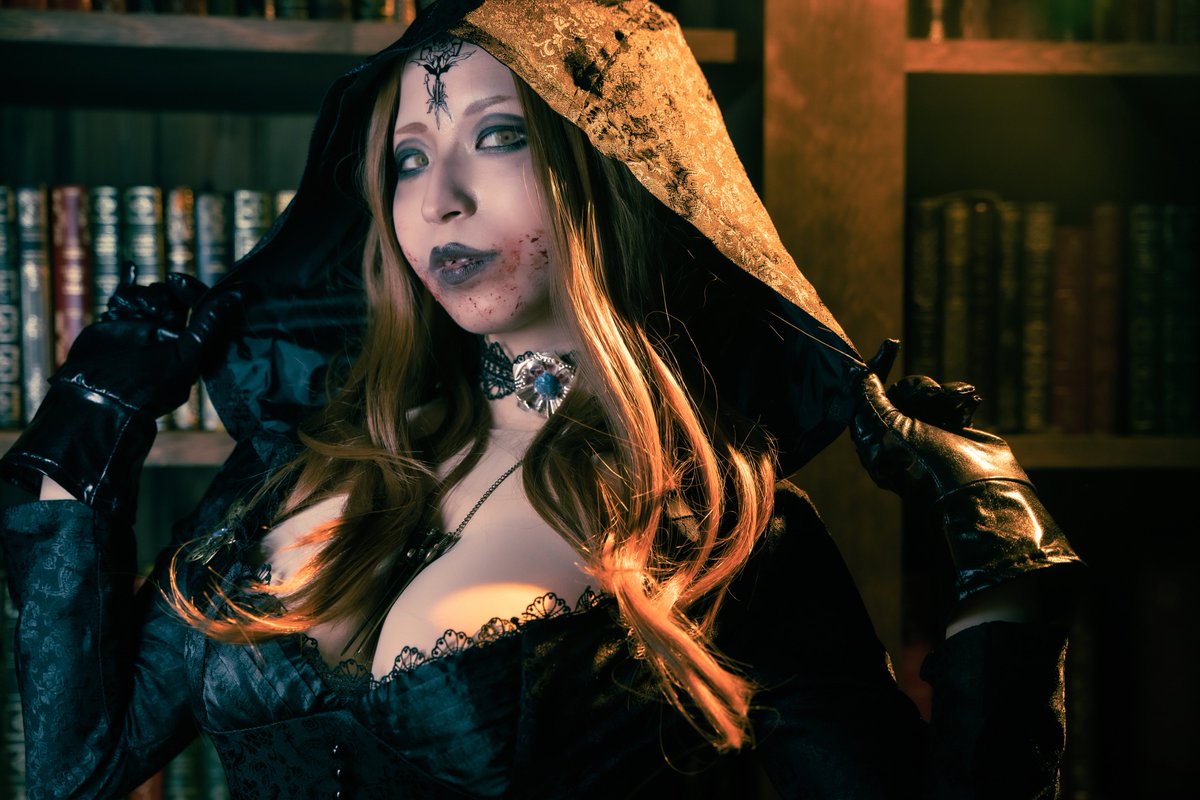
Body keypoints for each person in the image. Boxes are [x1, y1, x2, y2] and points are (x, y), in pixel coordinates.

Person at [0, 0, 1083, 797]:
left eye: (498, 136)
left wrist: (1005, 561)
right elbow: (76, 767)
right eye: (408, 157)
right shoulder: (293, 470)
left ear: (606, 170)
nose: (439, 200)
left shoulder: (723, 526)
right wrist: (93, 412)